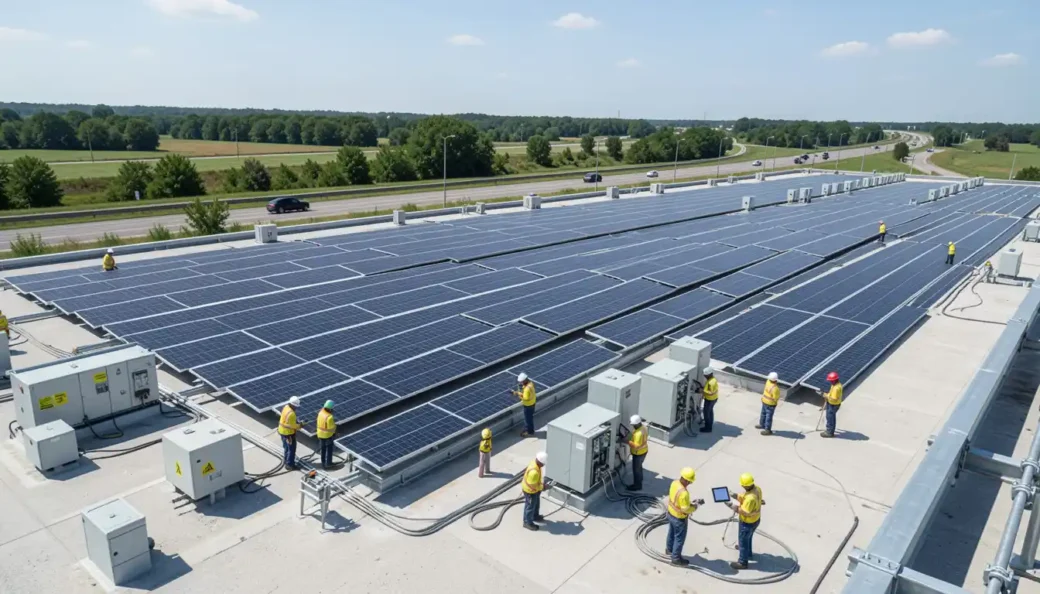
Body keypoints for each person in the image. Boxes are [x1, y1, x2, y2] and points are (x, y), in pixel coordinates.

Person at [666, 467, 704, 566]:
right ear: (687, 480)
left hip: (670, 513)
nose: (690, 484)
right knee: (679, 538)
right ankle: (676, 558)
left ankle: (669, 550)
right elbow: (685, 509)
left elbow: (676, 500)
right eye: (690, 482)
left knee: (671, 532)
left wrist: (689, 503)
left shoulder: (674, 483)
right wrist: (695, 506)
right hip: (679, 518)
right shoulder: (684, 493)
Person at [729, 473, 763, 571]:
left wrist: (732, 506)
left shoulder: (750, 499)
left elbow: (744, 511)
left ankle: (742, 562)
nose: (742, 486)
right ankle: (748, 553)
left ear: (746, 485)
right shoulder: (757, 489)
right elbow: (745, 496)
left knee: (743, 541)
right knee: (748, 537)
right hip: (755, 520)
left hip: (747, 523)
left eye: (743, 485)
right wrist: (735, 495)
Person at [521, 451, 547, 531]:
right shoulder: (534, 472)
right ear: (540, 462)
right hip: (530, 491)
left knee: (536, 503)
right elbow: (533, 486)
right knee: (530, 506)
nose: (544, 465)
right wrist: (543, 487)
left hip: (534, 490)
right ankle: (527, 522)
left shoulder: (535, 463)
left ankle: (535, 516)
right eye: (543, 463)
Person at [277, 396, 304, 469]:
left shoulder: (286, 407)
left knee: (286, 448)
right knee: (291, 449)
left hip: (282, 431)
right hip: (288, 434)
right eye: (296, 406)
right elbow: (293, 426)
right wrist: (300, 425)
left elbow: (287, 421)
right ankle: (289, 465)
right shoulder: (291, 414)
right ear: (293, 405)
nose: (296, 408)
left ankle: (286, 460)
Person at [626, 415, 648, 491]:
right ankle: (640, 480)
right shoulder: (643, 428)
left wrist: (626, 441)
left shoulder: (639, 433)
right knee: (639, 468)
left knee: (636, 470)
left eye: (633, 425)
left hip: (638, 454)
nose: (633, 426)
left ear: (637, 424)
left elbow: (636, 446)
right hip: (644, 452)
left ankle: (637, 485)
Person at [756, 372, 780, 436]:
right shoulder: (775, 388)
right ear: (776, 379)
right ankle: (767, 430)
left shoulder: (767, 382)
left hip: (764, 401)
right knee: (768, 417)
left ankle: (761, 424)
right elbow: (776, 398)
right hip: (771, 404)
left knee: (763, 414)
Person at [820, 372, 843, 438]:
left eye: (830, 380)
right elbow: (831, 393)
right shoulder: (837, 384)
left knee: (830, 418)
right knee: (831, 417)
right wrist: (827, 394)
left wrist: (825, 395)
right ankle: (830, 430)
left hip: (833, 405)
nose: (830, 381)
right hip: (833, 404)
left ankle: (829, 433)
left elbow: (834, 398)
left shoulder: (836, 388)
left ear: (834, 380)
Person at [514, 372, 537, 437]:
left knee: (528, 419)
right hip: (532, 404)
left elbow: (526, 398)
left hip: (528, 406)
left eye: (521, 382)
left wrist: (518, 394)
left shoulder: (526, 389)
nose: (520, 383)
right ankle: (530, 430)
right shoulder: (530, 383)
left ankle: (529, 431)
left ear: (524, 380)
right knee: (530, 418)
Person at [315, 400, 336, 469]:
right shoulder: (329, 417)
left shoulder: (320, 413)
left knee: (323, 449)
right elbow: (331, 428)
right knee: (329, 450)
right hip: (327, 435)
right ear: (330, 408)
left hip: (320, 434)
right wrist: (334, 432)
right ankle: (328, 463)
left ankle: (323, 463)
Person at [701, 367, 719, 433]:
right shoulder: (713, 379)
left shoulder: (711, 382)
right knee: (710, 412)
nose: (704, 376)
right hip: (713, 399)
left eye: (705, 375)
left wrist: (702, 391)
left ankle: (707, 428)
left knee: (706, 413)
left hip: (710, 400)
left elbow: (711, 393)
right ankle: (710, 426)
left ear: (709, 374)